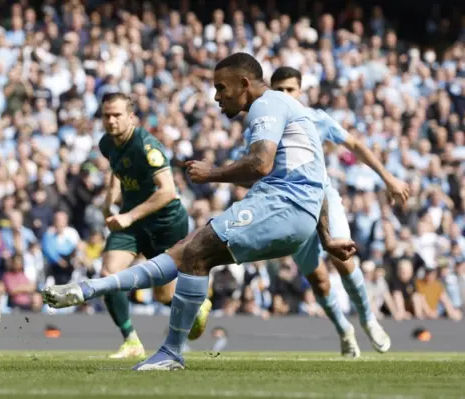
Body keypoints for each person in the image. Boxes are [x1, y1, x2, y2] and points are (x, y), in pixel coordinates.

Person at [43, 53, 356, 370]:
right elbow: (316, 181)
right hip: (295, 212)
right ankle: (89, 290)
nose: (217, 97)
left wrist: (212, 173)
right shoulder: (291, 113)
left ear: (244, 83)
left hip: (281, 206)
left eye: (222, 88)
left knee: (194, 254)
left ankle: (166, 349)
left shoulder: (268, 105)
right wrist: (327, 238)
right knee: (186, 253)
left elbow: (261, 164)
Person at [269, 66, 411, 356]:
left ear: (300, 91)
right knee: (318, 280)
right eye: (279, 89)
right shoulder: (264, 125)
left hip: (323, 198)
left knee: (343, 258)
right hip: (291, 208)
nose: (285, 95)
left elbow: (356, 144)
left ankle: (369, 321)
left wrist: (388, 178)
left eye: (290, 89)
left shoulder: (316, 119)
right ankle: (344, 330)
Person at [95, 92, 210, 359]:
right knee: (108, 275)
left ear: (131, 117)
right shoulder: (106, 143)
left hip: (165, 224)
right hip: (131, 223)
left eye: (117, 115)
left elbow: (168, 191)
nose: (111, 121)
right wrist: (109, 199)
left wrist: (129, 216)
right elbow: (117, 169)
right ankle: (131, 341)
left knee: (163, 295)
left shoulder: (148, 146)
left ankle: (196, 304)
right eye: (106, 116)